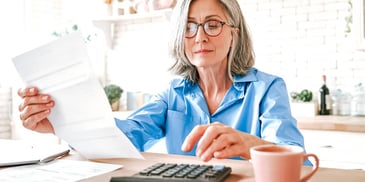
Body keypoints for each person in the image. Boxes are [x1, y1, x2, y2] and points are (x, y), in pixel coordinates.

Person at [17, 0, 311, 165]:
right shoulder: (173, 93)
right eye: (189, 27)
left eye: (212, 24)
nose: (199, 36)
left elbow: (301, 163)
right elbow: (126, 135)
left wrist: (251, 145)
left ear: (234, 33)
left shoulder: (268, 89)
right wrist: (60, 122)